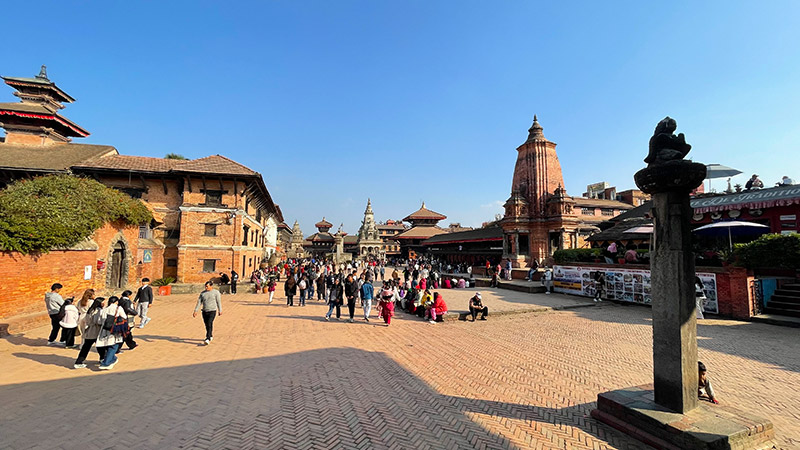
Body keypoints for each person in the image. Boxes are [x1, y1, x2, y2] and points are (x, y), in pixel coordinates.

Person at [97, 296, 128, 370]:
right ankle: (106, 363)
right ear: (116, 302)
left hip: (104, 329)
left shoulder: (104, 309)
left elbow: (99, 321)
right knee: (113, 346)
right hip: (114, 329)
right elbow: (124, 317)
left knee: (108, 345)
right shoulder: (118, 308)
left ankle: (112, 359)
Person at [74, 298, 104, 369]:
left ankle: (79, 361)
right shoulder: (98, 311)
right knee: (99, 346)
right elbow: (99, 321)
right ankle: (79, 362)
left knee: (87, 347)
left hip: (89, 331)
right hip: (96, 331)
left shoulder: (90, 310)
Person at [193, 281, 222, 345]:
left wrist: (220, 310)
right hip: (204, 311)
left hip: (212, 310)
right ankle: (210, 335)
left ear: (211, 286)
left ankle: (207, 338)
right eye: (205, 286)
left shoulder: (216, 293)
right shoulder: (203, 293)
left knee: (209, 323)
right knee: (207, 325)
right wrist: (196, 310)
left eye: (207, 286)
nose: (206, 288)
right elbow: (199, 302)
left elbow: (218, 301)